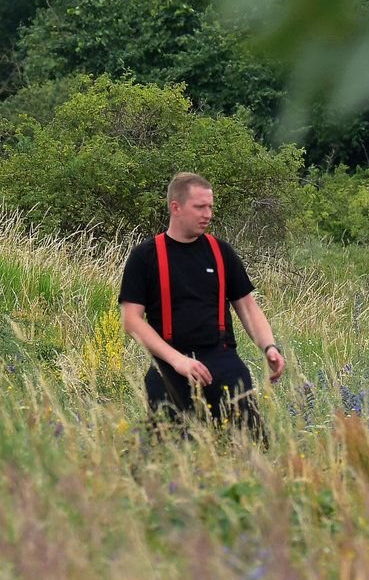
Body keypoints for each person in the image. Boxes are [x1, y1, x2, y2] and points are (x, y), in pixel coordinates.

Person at [118, 173, 287, 432]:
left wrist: (269, 347)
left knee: (249, 447)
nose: (207, 214)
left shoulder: (222, 252)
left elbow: (248, 308)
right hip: (170, 363)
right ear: (176, 207)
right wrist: (177, 360)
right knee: (170, 453)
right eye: (200, 207)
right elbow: (131, 320)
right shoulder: (145, 257)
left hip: (221, 359)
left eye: (210, 206)